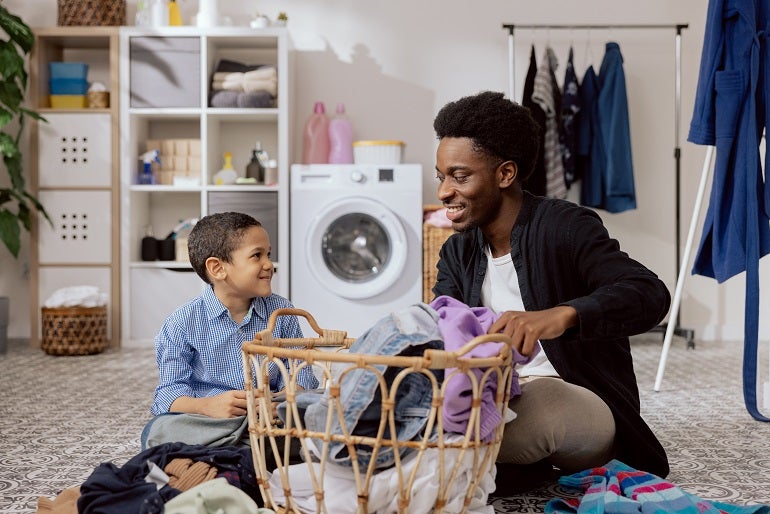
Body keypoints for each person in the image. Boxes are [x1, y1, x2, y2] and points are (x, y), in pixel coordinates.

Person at [431, 91, 671, 483]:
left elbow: (648, 293)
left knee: (540, 407)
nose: (443, 192)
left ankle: (458, 461)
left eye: (460, 176)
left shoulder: (566, 227)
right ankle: (498, 467)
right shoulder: (458, 251)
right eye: (442, 176)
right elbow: (443, 329)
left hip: (577, 402)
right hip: (493, 397)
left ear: (505, 174)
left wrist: (560, 316)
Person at [141, 212, 318, 450]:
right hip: (211, 420)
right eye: (257, 255)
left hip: (270, 418)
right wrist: (207, 407)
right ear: (217, 268)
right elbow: (169, 393)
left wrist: (284, 399)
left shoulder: (283, 312)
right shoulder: (181, 322)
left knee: (319, 417)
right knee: (158, 431)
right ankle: (243, 452)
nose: (269, 264)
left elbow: (300, 371)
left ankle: (239, 452)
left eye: (269, 254)